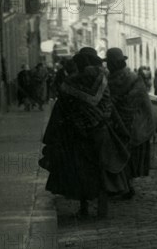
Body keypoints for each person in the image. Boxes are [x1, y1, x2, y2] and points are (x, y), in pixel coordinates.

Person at [39, 47, 130, 218]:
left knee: (81, 171)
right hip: (101, 132)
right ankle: (103, 208)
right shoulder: (102, 79)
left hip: (77, 134)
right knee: (102, 169)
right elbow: (108, 106)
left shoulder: (68, 84)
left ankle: (84, 208)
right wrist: (118, 126)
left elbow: (62, 111)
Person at [104, 48, 156, 199]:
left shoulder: (132, 78)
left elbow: (135, 101)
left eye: (110, 63)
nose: (108, 66)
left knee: (127, 156)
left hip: (134, 124)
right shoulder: (111, 79)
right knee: (122, 155)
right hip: (120, 124)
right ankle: (124, 185)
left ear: (116, 64)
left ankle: (126, 186)